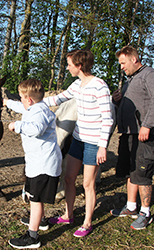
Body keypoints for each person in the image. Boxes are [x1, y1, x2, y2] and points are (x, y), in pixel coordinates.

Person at [44, 49, 114, 237]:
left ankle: (87, 222)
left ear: (79, 65)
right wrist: (37, 103)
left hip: (93, 143)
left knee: (88, 184)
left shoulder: (100, 86)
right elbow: (58, 98)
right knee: (68, 178)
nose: (67, 68)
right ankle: (68, 215)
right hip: (78, 139)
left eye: (69, 65)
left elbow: (107, 119)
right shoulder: (77, 85)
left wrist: (102, 146)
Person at [110, 45, 154, 230]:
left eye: (123, 63)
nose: (121, 67)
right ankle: (131, 207)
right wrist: (117, 101)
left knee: (143, 173)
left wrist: (147, 125)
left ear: (134, 59)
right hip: (129, 133)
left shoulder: (151, 75)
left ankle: (146, 213)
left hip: (144, 134)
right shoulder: (130, 81)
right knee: (130, 171)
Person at [5, 79, 62, 249]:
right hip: (36, 162)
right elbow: (20, 107)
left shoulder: (40, 113)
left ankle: (32, 237)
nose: (21, 101)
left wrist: (18, 125)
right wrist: (6, 102)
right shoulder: (34, 106)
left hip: (44, 164)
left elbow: (37, 129)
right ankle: (41, 221)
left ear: (29, 99)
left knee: (36, 200)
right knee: (33, 195)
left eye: (22, 97)